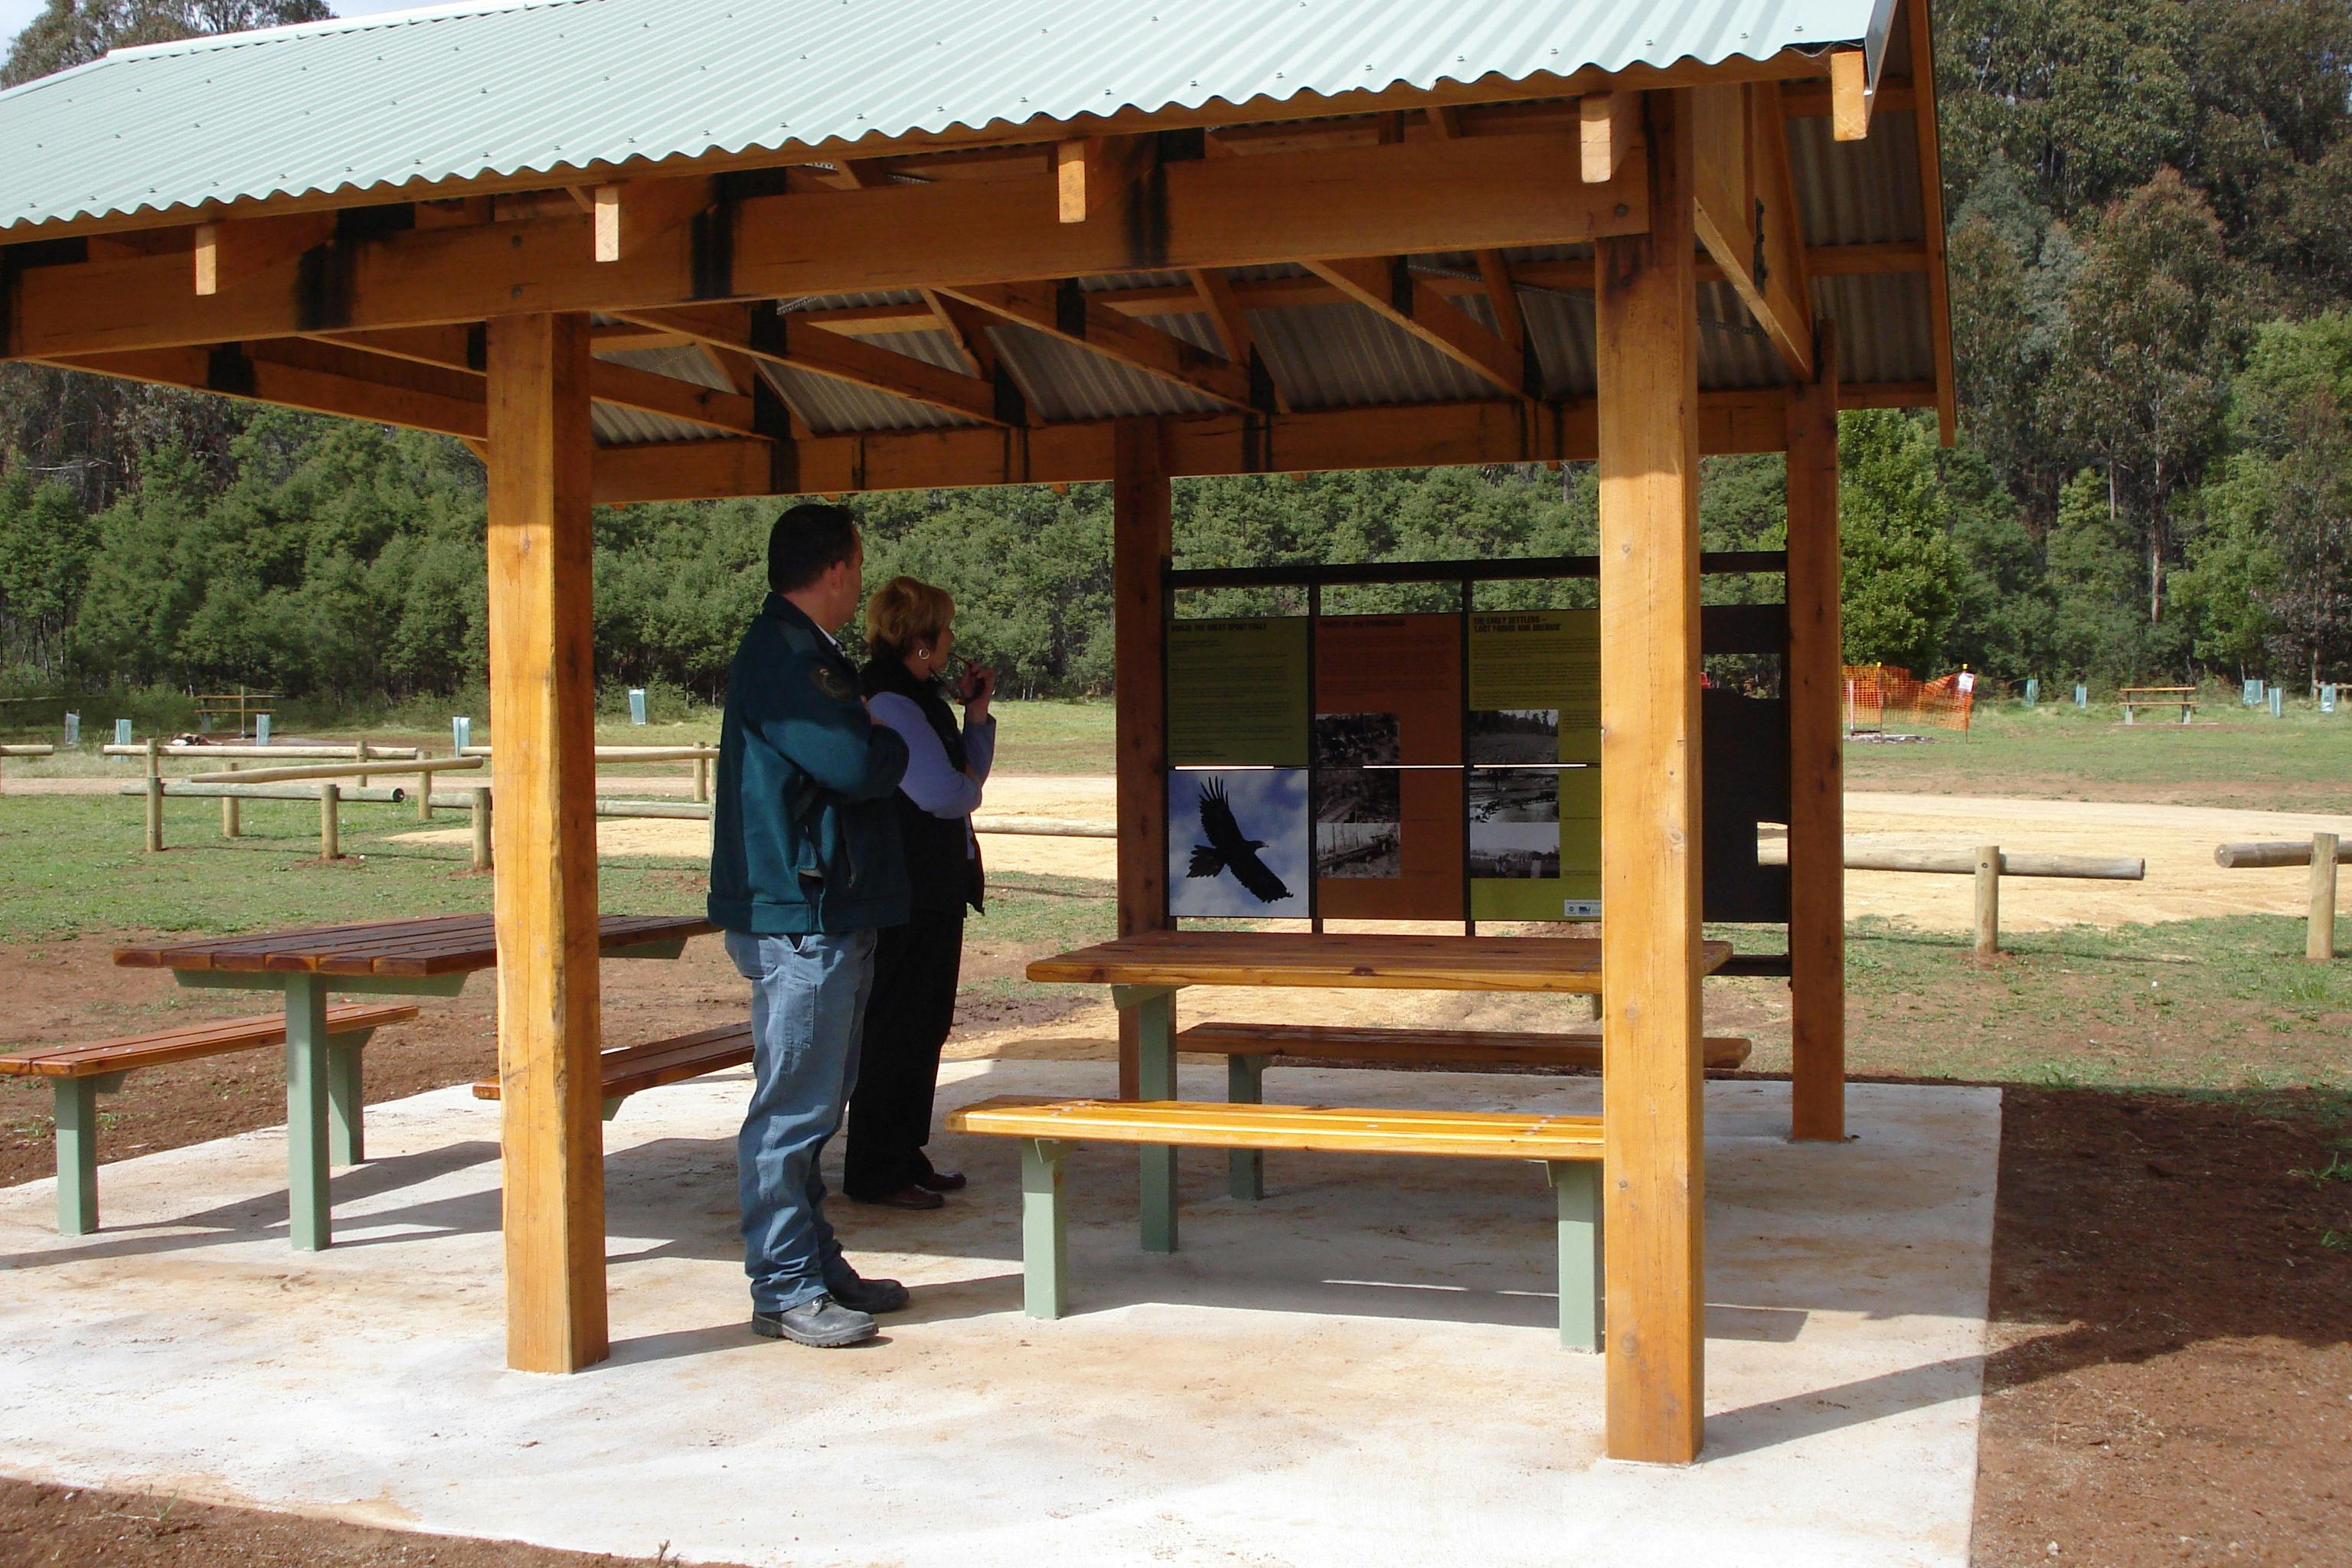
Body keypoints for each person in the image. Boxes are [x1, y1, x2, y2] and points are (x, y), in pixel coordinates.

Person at [708, 502, 912, 1349]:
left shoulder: (806, 654)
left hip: (824, 911)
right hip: (802, 917)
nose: (860, 580)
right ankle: (784, 1284)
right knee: (792, 1108)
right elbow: (854, 762)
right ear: (835, 568)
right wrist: (884, 739)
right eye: (857, 565)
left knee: (818, 1103)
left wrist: (870, 731)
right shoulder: (787, 657)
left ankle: (813, 1261)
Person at [844, 577, 997, 1210]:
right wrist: (967, 781)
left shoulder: (913, 697)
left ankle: (903, 1154)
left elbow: (961, 783)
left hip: (927, 887)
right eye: (946, 629)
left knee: (922, 1024)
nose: (953, 639)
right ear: (924, 640)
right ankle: (878, 1168)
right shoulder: (893, 701)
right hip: (906, 890)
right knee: (897, 1029)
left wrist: (976, 717)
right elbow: (947, 795)